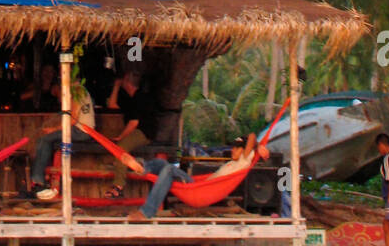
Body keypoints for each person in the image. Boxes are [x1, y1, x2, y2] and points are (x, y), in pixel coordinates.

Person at [127, 133, 268, 222]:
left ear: (245, 151)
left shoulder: (244, 161)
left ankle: (146, 212)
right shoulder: (233, 162)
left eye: (237, 148)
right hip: (197, 186)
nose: (232, 150)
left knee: (169, 169)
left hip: (198, 192)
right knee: (162, 163)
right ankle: (142, 168)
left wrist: (258, 146)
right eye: (233, 147)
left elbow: (251, 136)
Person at [26, 75, 97, 202]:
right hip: (86, 130)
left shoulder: (75, 91)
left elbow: (72, 118)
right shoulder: (83, 90)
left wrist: (53, 130)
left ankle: (37, 182)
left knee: (44, 140)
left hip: (81, 131)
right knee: (48, 140)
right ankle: (43, 180)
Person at [105, 69, 157, 198]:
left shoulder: (140, 98)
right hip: (138, 131)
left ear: (127, 82)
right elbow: (112, 105)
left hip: (144, 132)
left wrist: (121, 137)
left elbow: (134, 123)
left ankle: (118, 186)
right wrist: (116, 86)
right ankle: (123, 165)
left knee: (120, 149)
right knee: (120, 150)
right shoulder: (131, 98)